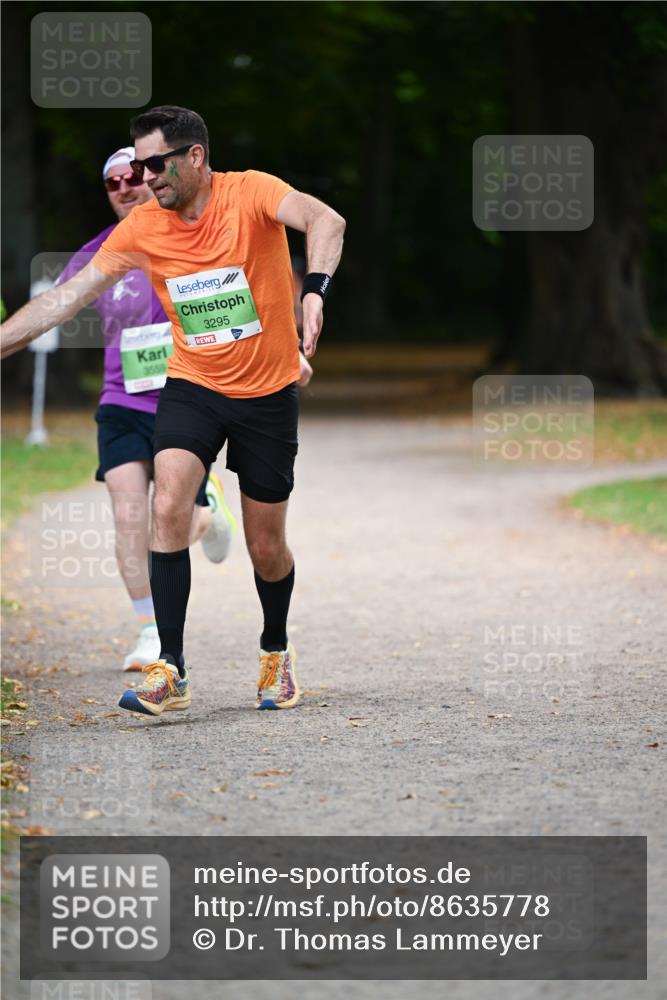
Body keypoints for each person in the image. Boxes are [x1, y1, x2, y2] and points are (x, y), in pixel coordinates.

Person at [1, 105, 345, 717]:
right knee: (166, 505)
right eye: (136, 165)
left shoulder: (252, 193)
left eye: (155, 164)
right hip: (192, 383)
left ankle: (275, 650)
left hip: (266, 391)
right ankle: (172, 668)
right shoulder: (142, 229)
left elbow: (325, 219)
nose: (144, 177)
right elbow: (65, 298)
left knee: (267, 546)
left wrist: (314, 290)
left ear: (194, 157)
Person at [57, 146, 238, 673]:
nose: (124, 188)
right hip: (121, 400)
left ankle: (210, 507)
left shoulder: (194, 231)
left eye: (132, 176)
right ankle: (149, 630)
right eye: (111, 183)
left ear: (152, 177)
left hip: (188, 396)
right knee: (130, 515)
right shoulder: (96, 254)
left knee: (174, 520)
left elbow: (241, 293)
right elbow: (57, 307)